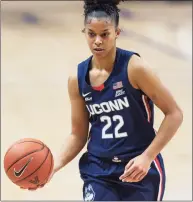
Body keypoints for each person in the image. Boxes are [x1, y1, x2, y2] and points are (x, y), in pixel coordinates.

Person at [24, 0, 183, 201]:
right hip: (99, 171)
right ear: (85, 32)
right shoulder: (77, 78)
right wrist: (53, 166)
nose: (97, 41)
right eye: (91, 34)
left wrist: (147, 157)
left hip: (138, 168)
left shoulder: (135, 68)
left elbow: (174, 113)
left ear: (117, 32)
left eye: (104, 34)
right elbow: (78, 135)